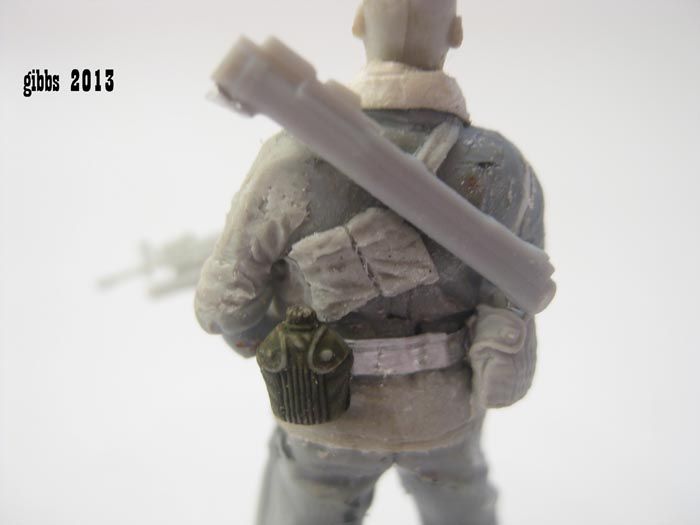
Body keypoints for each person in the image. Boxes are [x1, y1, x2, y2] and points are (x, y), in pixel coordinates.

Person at [195, 1, 546, 523]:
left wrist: (275, 347)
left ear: (359, 23)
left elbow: (224, 302)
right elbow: (511, 305)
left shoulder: (290, 157)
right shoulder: (501, 167)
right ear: (455, 32)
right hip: (443, 410)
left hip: (321, 413)